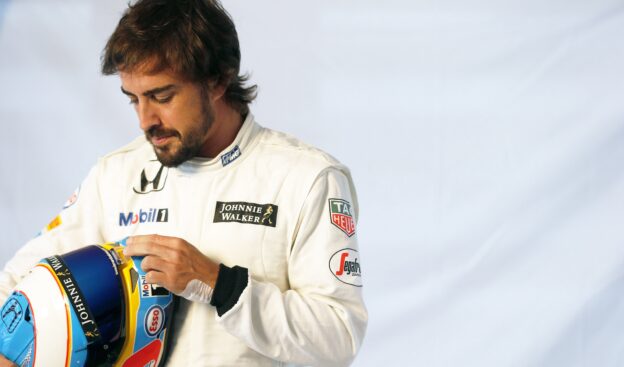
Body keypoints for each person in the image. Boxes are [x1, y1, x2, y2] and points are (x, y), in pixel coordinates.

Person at [0, 0, 367, 366]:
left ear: (219, 79)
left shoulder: (306, 178)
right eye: (134, 100)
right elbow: (17, 283)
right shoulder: (115, 175)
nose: (146, 120)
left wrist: (218, 283)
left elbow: (338, 338)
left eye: (162, 97)